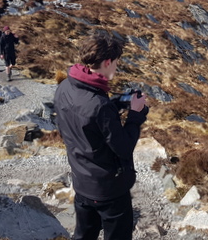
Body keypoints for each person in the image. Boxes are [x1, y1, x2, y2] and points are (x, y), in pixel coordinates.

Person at [53, 31, 149, 240]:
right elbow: (123, 147)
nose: (116, 66)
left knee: (84, 235)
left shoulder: (65, 87)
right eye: (115, 62)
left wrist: (117, 103)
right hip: (109, 189)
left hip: (81, 181)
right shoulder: (99, 105)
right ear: (107, 62)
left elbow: (85, 119)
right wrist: (135, 114)